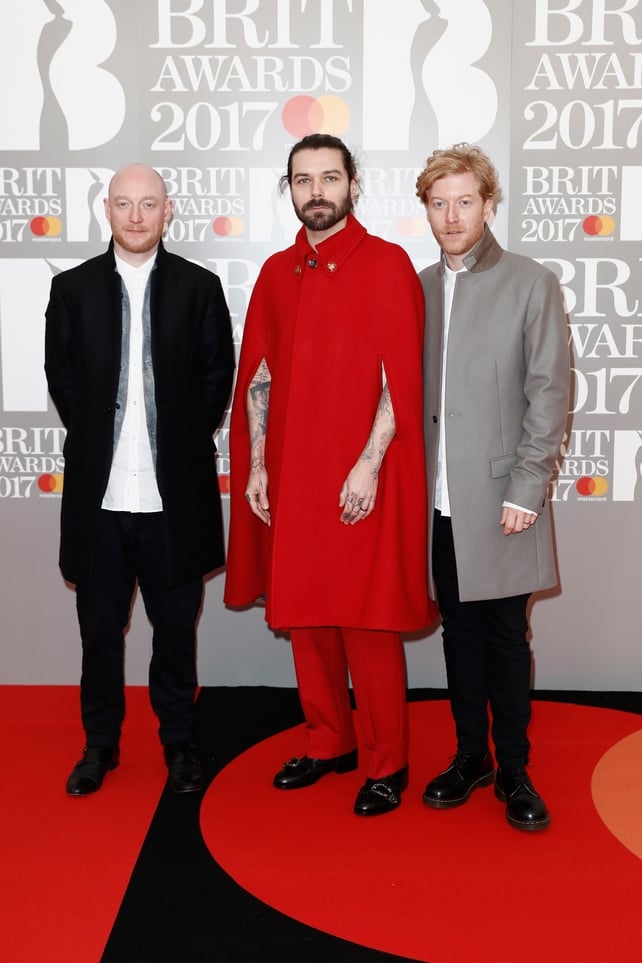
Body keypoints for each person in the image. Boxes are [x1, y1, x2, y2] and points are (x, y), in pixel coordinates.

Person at [224, 133, 436, 816]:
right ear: (289, 189)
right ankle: (327, 741)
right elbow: (258, 372)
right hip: (291, 475)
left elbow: (397, 378)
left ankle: (386, 762)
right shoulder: (276, 272)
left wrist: (370, 464)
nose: (316, 190)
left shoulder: (388, 264)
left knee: (367, 622)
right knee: (310, 618)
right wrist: (257, 464)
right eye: (302, 179)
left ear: (353, 184)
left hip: (360, 475)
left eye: (329, 177)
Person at [45, 163, 235, 796]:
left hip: (171, 500)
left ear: (167, 210)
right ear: (107, 209)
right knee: (99, 634)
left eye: (147, 204)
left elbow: (217, 383)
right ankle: (100, 746)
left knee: (176, 633)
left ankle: (178, 741)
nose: (135, 216)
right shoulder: (72, 290)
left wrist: (175, 446)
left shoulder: (200, 288)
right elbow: (63, 380)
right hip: (101, 501)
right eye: (124, 203)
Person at [415, 144, 569, 831]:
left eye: (464, 201)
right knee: (458, 633)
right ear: (426, 208)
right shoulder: (414, 287)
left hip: (505, 496)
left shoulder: (530, 282)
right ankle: (468, 755)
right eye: (438, 202)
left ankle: (513, 766)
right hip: (436, 503)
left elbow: (550, 392)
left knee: (507, 635)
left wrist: (527, 485)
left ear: (488, 203)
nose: (452, 216)